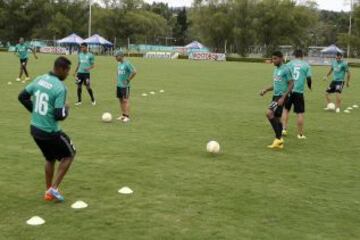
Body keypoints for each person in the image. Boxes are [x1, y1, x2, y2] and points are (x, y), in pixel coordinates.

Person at [18, 57, 76, 202]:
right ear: (61, 69)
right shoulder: (60, 88)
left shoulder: (40, 79)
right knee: (70, 154)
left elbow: (22, 97)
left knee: (50, 158)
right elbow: (59, 115)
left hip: (35, 130)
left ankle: (48, 192)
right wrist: (66, 109)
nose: (68, 74)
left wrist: (35, 111)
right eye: (67, 71)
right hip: (50, 131)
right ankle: (54, 188)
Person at [260, 51, 294, 150]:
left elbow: (291, 84)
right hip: (276, 96)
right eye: (272, 58)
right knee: (277, 118)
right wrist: (266, 89)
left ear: (281, 58)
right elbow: (276, 85)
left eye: (275, 58)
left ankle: (278, 138)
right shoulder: (276, 70)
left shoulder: (286, 69)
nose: (273, 60)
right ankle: (279, 141)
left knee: (269, 113)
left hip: (281, 96)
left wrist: (283, 97)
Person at [282, 49, 312, 139]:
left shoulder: (289, 64)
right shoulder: (306, 65)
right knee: (300, 113)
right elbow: (309, 78)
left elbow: (283, 74)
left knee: (286, 110)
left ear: (294, 55)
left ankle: (283, 129)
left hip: (288, 90)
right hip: (299, 92)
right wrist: (310, 86)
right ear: (302, 55)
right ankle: (300, 134)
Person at [115, 51, 137, 123]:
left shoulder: (127, 63)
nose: (115, 58)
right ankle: (123, 115)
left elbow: (134, 72)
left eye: (117, 56)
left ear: (121, 56)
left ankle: (127, 117)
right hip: (119, 85)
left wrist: (128, 80)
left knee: (125, 100)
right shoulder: (118, 64)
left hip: (125, 86)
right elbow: (118, 73)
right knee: (120, 100)